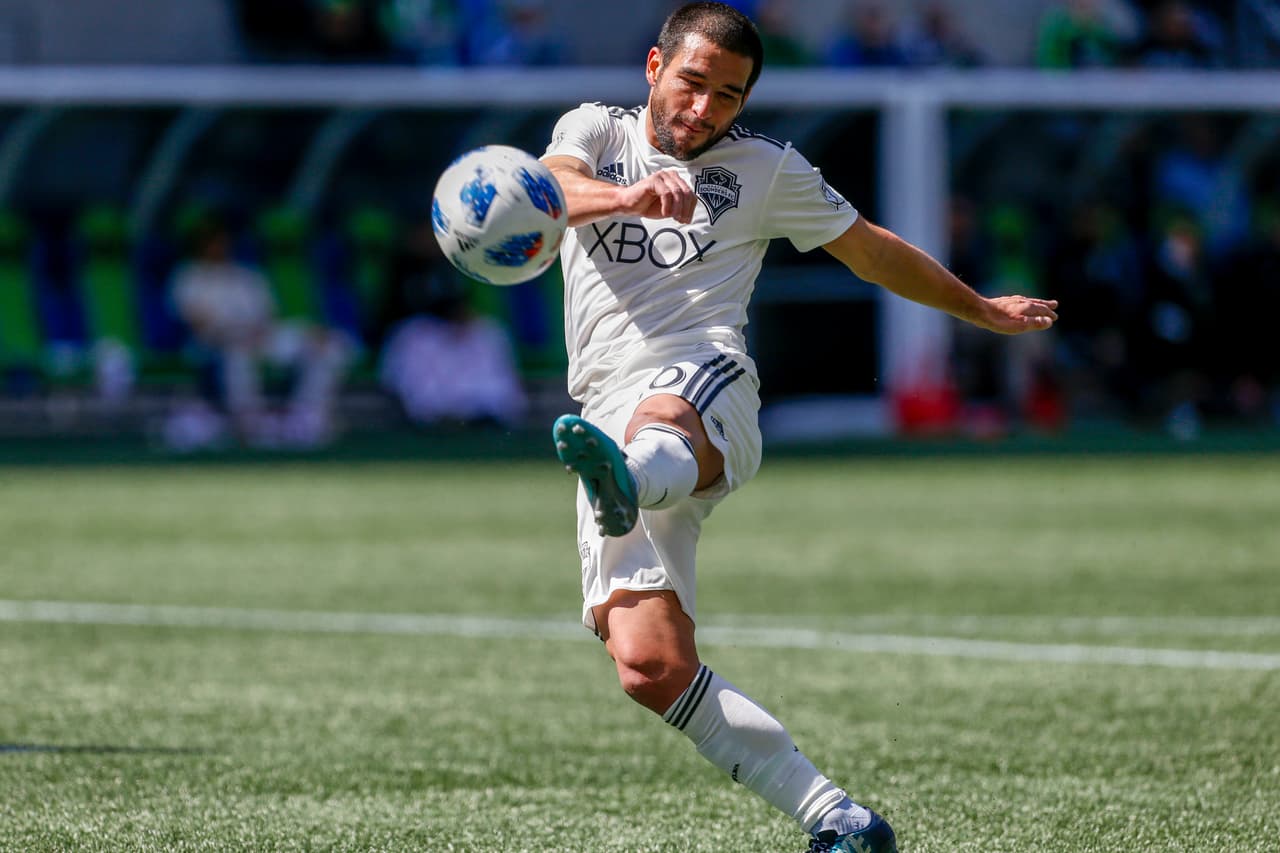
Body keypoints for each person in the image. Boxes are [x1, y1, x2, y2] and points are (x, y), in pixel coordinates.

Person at [539, 4, 1058, 852]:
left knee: (657, 416)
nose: (706, 109)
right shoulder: (595, 132)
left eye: (728, 97)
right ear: (653, 68)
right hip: (599, 418)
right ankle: (839, 820)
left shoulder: (766, 169)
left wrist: (981, 311)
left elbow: (872, 250)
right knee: (648, 665)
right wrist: (632, 194)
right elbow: (550, 190)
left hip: (702, 383)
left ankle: (628, 480)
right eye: (693, 84)